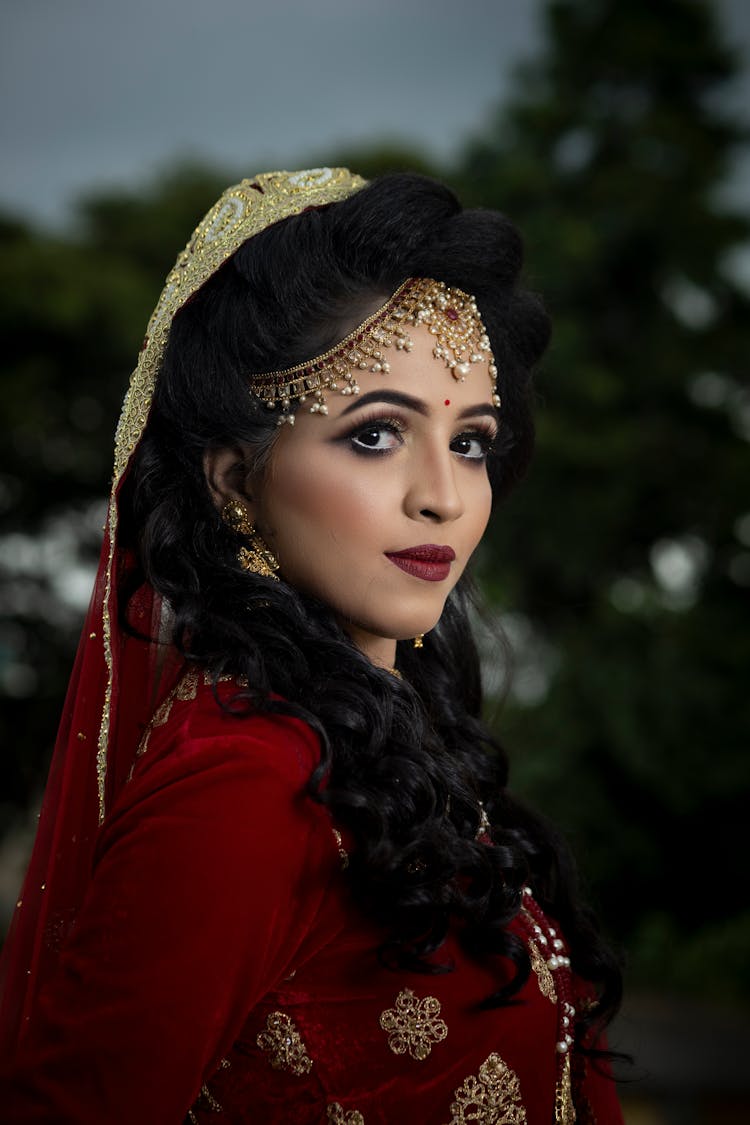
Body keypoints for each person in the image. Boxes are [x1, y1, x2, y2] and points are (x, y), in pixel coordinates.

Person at [0, 167, 624, 1123]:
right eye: (376, 435)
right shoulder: (244, 781)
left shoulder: (397, 749)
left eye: (472, 442)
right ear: (233, 482)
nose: (444, 497)